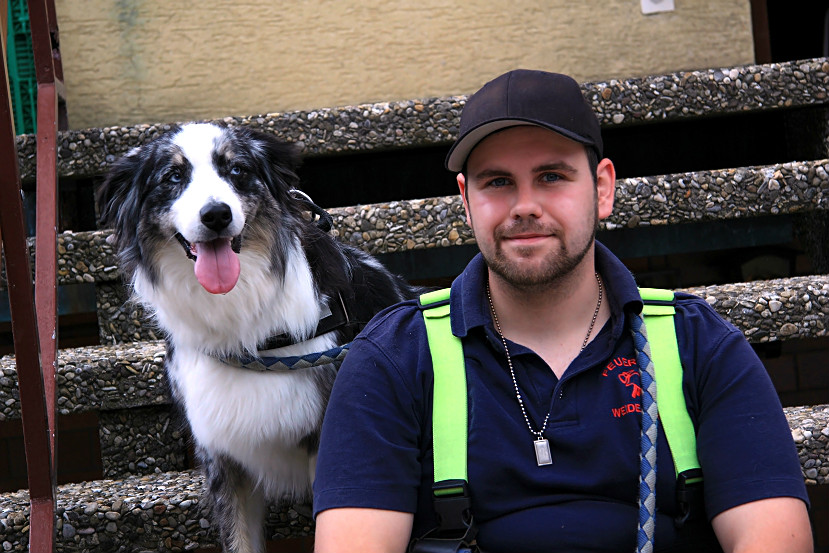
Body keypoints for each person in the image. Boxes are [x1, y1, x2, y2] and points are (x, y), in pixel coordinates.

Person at [311, 69, 813, 552]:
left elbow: (774, 539)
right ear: (466, 201)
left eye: (551, 176)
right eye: (497, 182)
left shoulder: (697, 344)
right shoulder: (395, 357)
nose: (525, 205)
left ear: (602, 188)